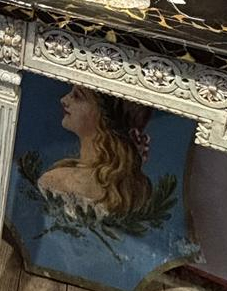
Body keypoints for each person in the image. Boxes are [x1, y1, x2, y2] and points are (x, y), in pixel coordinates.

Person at [37, 85, 153, 216]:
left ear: (103, 116)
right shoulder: (133, 189)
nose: (63, 100)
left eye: (77, 96)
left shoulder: (56, 180)